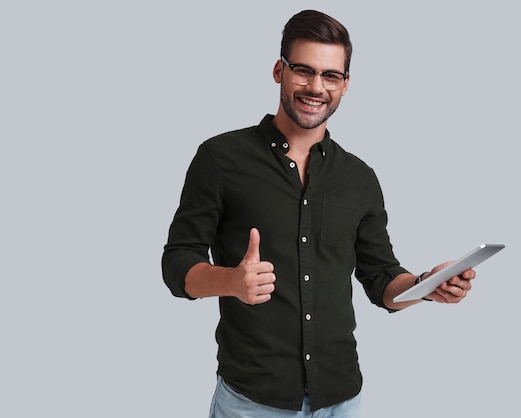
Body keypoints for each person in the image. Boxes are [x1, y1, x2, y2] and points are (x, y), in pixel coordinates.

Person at [162, 9, 475, 418]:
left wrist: (424, 287)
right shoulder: (220, 158)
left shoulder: (359, 177)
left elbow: (381, 278)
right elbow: (177, 261)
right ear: (279, 70)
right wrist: (231, 281)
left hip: (340, 398)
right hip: (252, 401)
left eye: (330, 76)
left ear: (345, 85)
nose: (316, 87)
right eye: (303, 71)